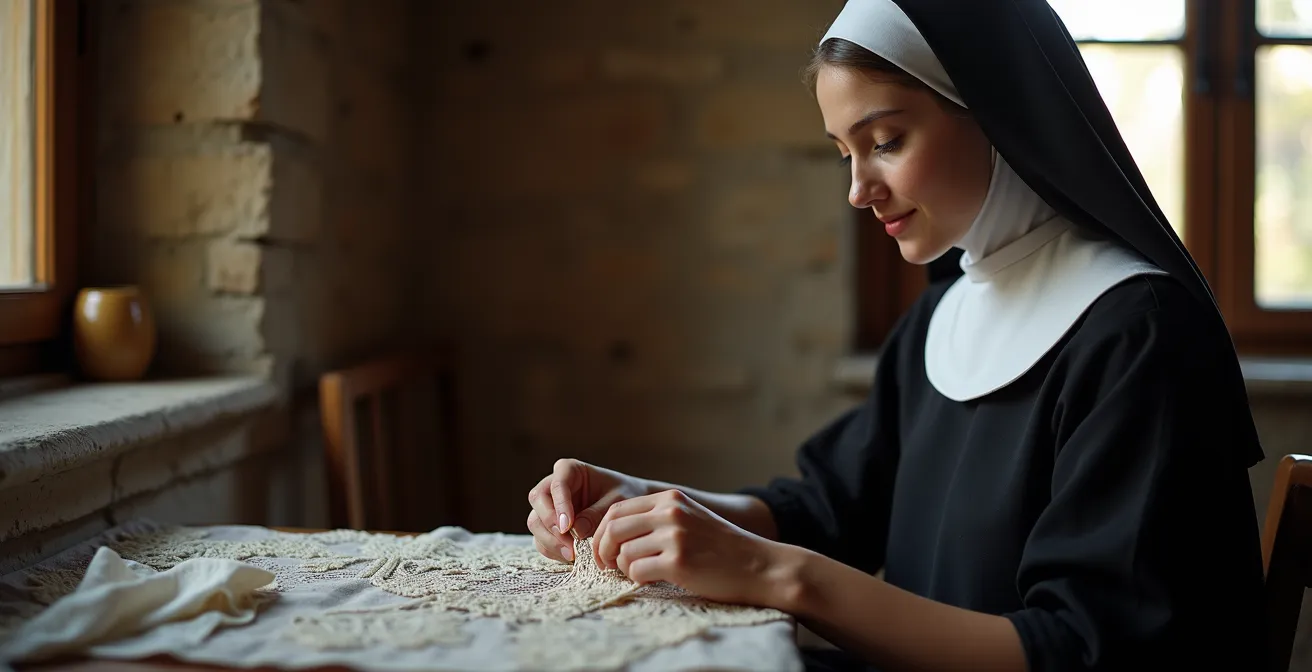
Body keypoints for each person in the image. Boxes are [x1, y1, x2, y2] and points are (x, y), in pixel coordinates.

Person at [524, 1, 1269, 669]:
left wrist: (775, 574)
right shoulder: (945, 313)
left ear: (1000, 112)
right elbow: (830, 508)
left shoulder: (1140, 337)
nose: (857, 189)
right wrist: (648, 502)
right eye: (844, 152)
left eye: (884, 140)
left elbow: (1078, 650)